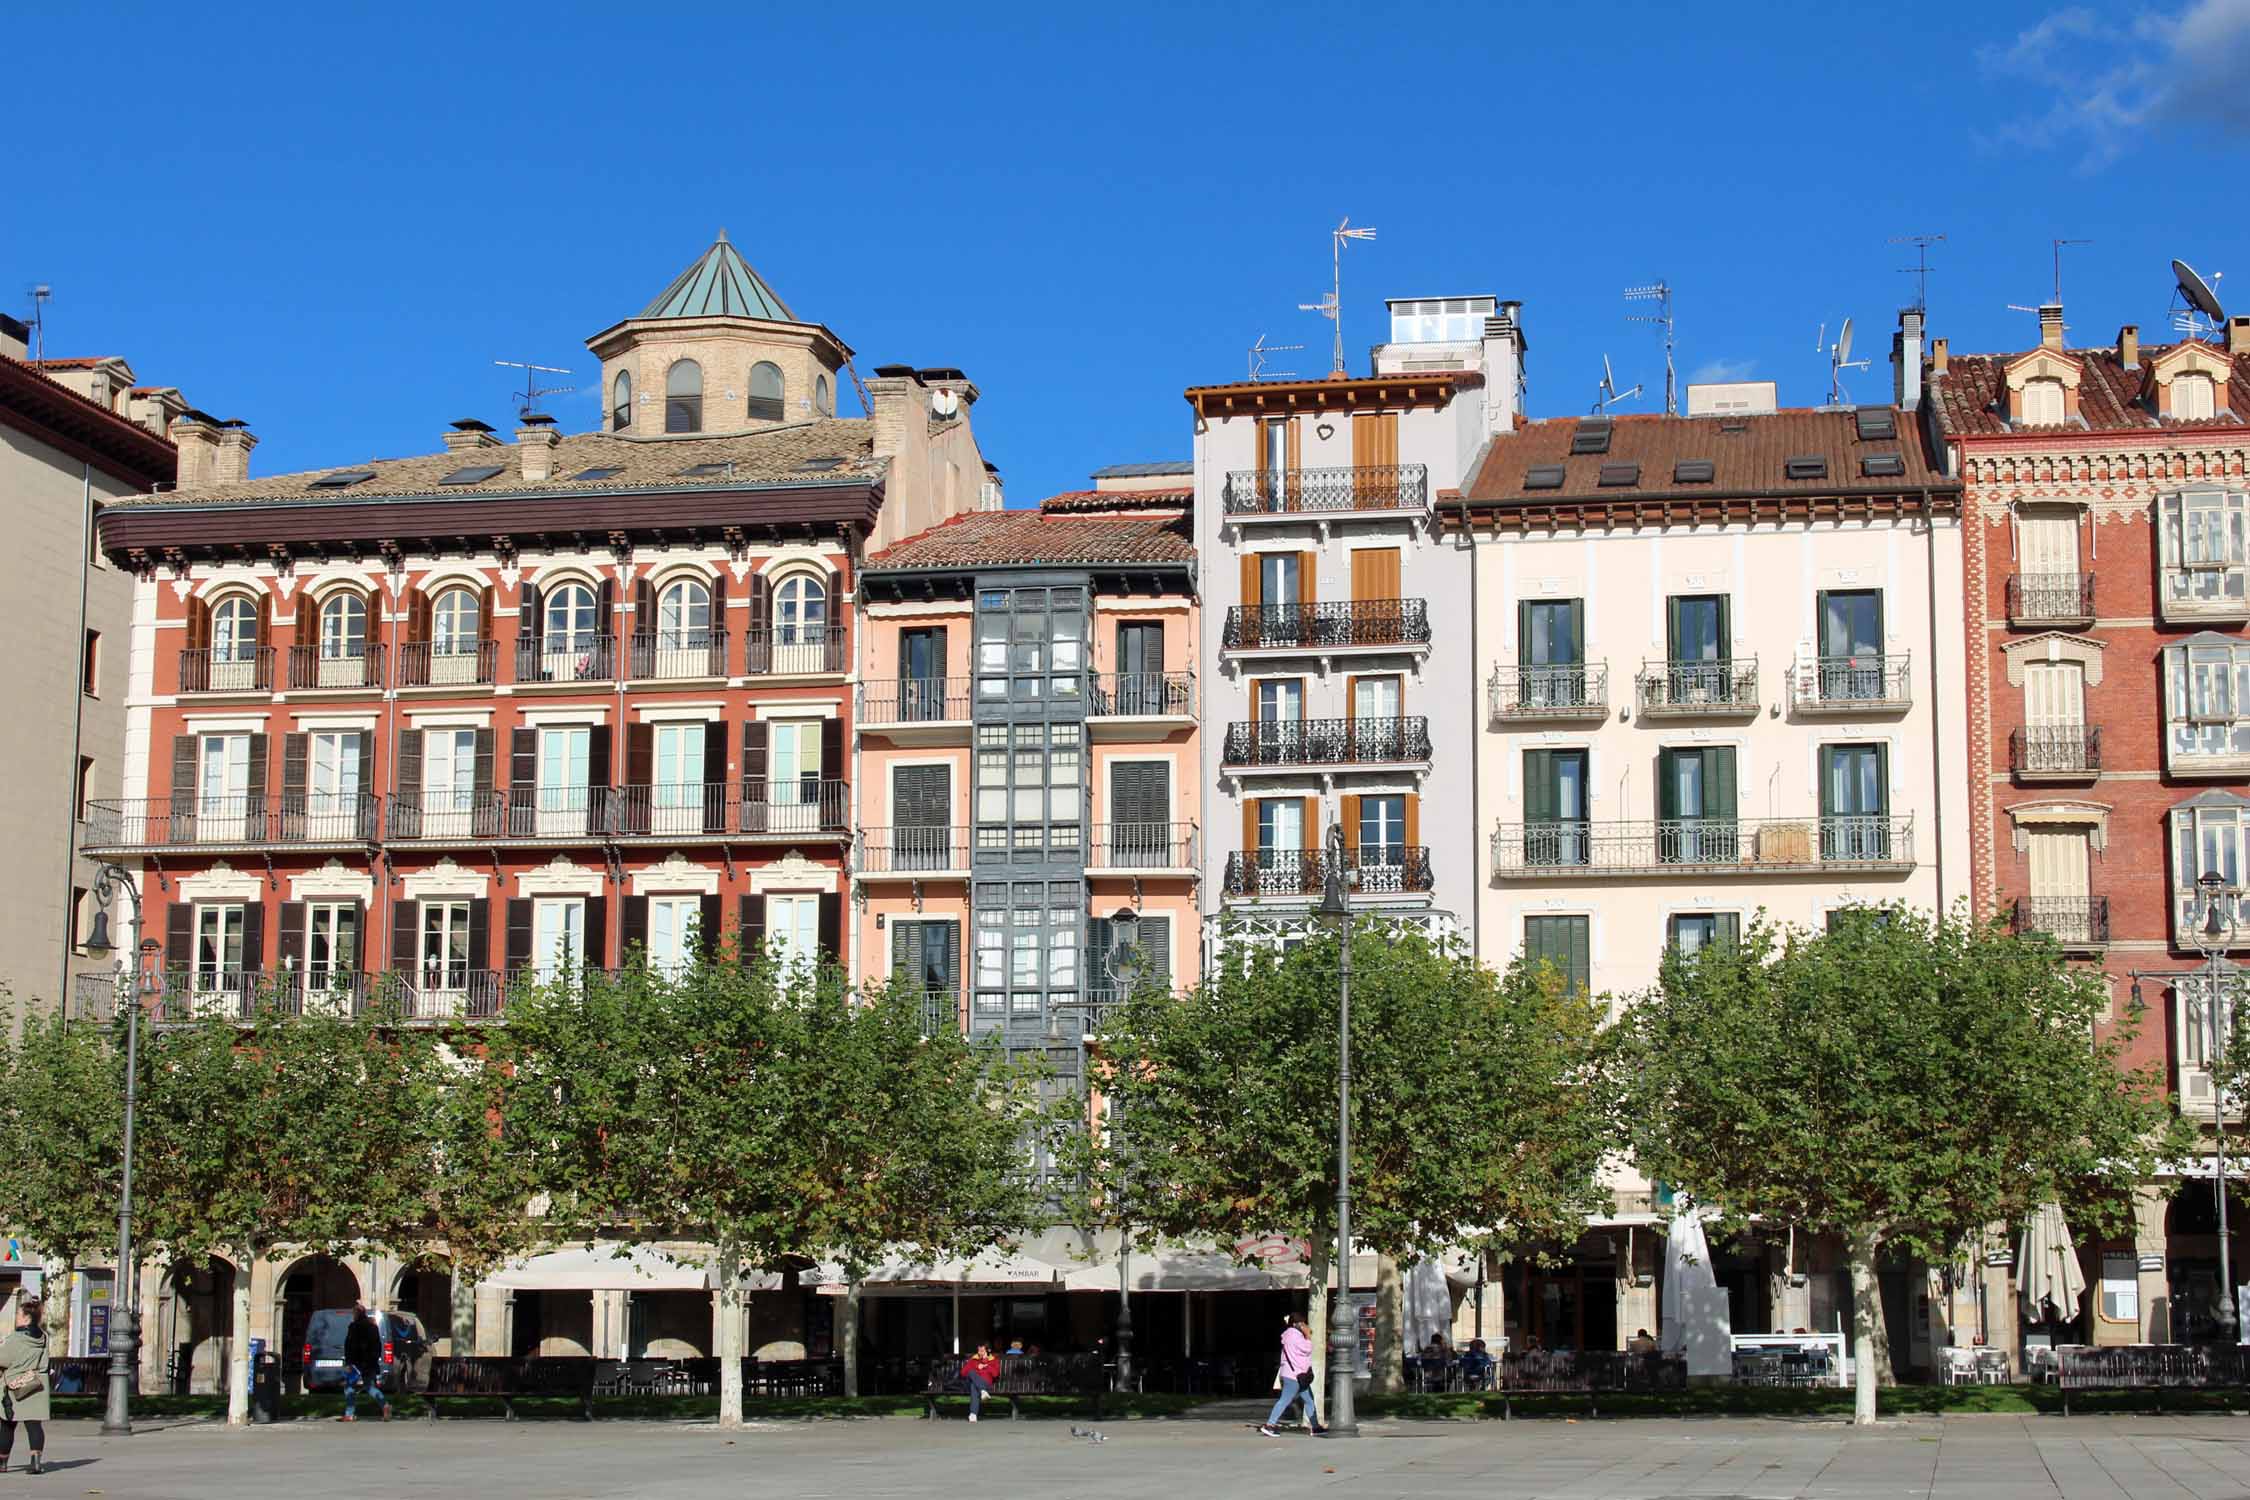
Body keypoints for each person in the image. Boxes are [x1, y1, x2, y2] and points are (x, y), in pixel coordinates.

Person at [0, 1297, 49, 1475]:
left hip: (14, 1386)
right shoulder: (43, 1337)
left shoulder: (16, 1338)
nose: (17, 1318)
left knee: (7, 1424)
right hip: (36, 1384)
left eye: (19, 1315)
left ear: (27, 1318)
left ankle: (2, 1463)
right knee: (34, 1425)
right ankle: (35, 1461)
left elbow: (3, 1359)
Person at [1259, 1314, 1324, 1437]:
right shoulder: (1294, 1335)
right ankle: (1270, 1425)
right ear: (1295, 1324)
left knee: (1309, 1400)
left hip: (1299, 1375)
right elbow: (1307, 1349)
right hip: (1293, 1375)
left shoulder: (1291, 1335)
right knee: (1285, 1400)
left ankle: (1315, 1427)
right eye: (1301, 1323)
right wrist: (1308, 1336)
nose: (1304, 1325)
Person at [340, 1303, 390, 1422]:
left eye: (354, 1313)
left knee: (349, 1387)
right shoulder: (373, 1327)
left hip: (355, 1362)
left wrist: (348, 1362)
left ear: (356, 1314)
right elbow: (378, 1345)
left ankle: (349, 1413)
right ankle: (385, 1405)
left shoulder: (354, 1326)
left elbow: (349, 1346)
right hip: (369, 1363)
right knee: (369, 1386)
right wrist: (373, 1359)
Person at [960, 1343, 1000, 1423]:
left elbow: (995, 1374)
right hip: (973, 1384)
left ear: (988, 1351)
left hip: (986, 1383)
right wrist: (976, 1367)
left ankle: (973, 1414)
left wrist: (987, 1366)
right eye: (978, 1350)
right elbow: (963, 1372)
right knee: (971, 1373)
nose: (979, 1353)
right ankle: (983, 1391)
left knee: (974, 1386)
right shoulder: (973, 1359)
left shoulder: (993, 1360)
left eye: (982, 1351)